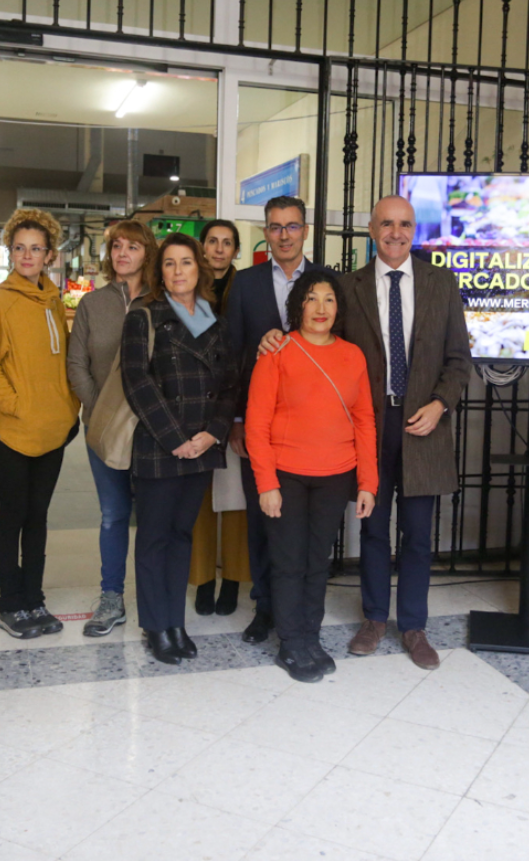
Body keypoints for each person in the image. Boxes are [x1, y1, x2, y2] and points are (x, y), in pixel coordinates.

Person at [335, 195, 471, 668]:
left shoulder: (440, 283)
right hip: (370, 426)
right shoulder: (347, 287)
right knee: (373, 529)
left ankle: (413, 626)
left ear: (415, 231)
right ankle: (374, 618)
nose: (396, 232)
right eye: (387, 224)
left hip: (424, 424)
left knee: (417, 533)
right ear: (372, 229)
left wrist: (440, 404)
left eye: (405, 225)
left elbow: (458, 360)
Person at [248, 271, 378, 682]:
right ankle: (290, 642)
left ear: (338, 308)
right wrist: (266, 483)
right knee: (288, 562)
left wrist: (368, 483)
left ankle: (310, 635)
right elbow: (256, 422)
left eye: (328, 300)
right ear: (298, 306)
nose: (320, 308)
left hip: (335, 474)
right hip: (286, 475)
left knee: (317, 563)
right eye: (311, 299)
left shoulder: (353, 355)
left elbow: (365, 421)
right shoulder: (278, 351)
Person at [122, 233, 238, 664]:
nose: (178, 272)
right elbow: (137, 381)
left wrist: (213, 433)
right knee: (154, 538)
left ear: (199, 268)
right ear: (159, 271)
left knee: (181, 535)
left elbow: (230, 385)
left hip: (203, 446)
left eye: (186, 263)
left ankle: (176, 623)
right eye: (169, 264)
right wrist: (176, 440)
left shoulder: (216, 321)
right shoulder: (144, 317)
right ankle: (156, 626)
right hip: (160, 445)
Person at [225, 196, 330, 644]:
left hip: (312, 428)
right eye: (275, 227)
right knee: (262, 518)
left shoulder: (327, 282)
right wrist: (233, 419)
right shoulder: (245, 284)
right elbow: (231, 353)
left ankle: (303, 613)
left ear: (305, 231)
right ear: (265, 234)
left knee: (306, 528)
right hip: (259, 426)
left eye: (291, 226)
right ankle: (265, 609)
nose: (284, 235)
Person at [0, 209, 80, 639]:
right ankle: (9, 604)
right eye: (20, 248)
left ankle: (34, 599)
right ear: (10, 252)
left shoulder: (54, 301)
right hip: (11, 431)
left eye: (36, 249)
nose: (27, 256)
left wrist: (68, 407)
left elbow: (64, 361)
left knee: (39, 518)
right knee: (13, 516)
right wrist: (17, 405)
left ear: (50, 254)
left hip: (53, 430)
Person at [67, 220, 158, 637]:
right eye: (117, 246)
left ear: (147, 253)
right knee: (113, 515)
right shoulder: (92, 304)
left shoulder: (164, 301)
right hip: (103, 431)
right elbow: (76, 365)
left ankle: (157, 603)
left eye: (133, 247)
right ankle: (111, 598)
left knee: (155, 518)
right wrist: (99, 411)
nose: (123, 253)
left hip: (154, 430)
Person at [192, 218, 251, 616]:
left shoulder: (246, 288)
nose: (218, 249)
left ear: (235, 251)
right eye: (212, 241)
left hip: (234, 405)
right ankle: (202, 580)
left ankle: (231, 579)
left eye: (227, 243)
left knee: (234, 499)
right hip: (193, 408)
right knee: (197, 501)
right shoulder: (185, 286)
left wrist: (240, 415)